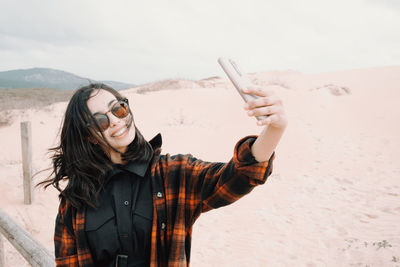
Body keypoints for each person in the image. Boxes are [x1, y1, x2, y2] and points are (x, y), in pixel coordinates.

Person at [40, 82, 287, 267]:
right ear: (88, 137)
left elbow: (237, 177)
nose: (115, 121)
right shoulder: (76, 200)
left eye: (118, 109)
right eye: (100, 122)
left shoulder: (173, 174)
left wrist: (275, 129)